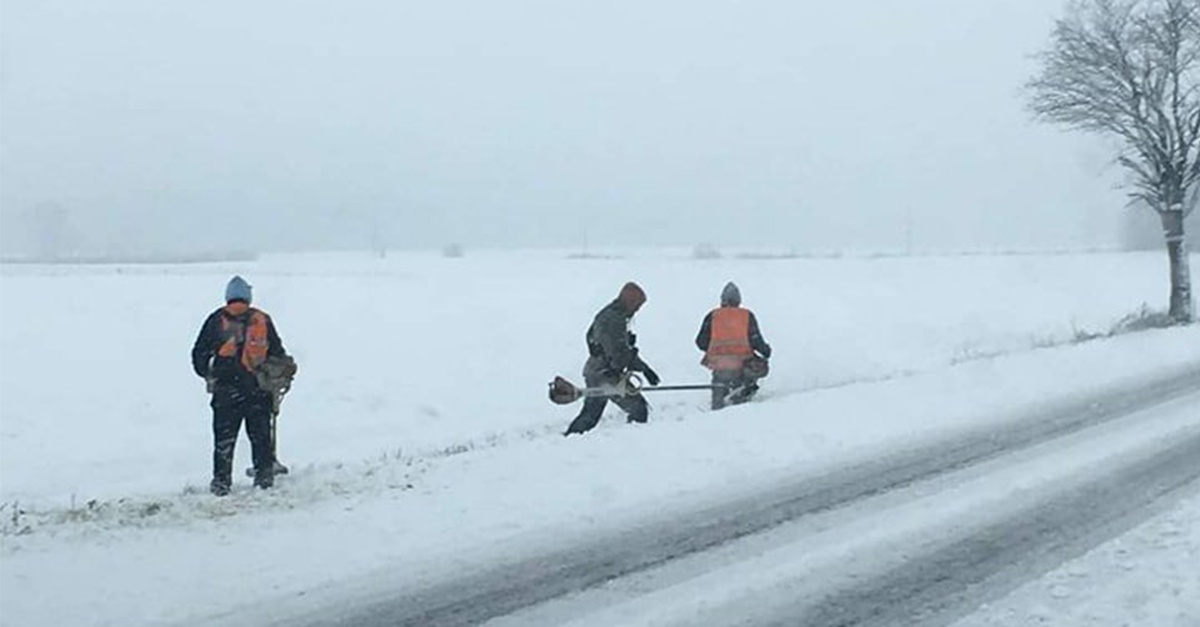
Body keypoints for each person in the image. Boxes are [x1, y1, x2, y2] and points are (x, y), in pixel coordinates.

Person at [191, 276, 289, 495]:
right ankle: (264, 479)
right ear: (248, 297)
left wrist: (209, 374)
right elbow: (278, 353)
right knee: (260, 437)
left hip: (225, 392)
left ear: (228, 296)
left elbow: (198, 354)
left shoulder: (216, 320)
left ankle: (221, 484)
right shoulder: (262, 320)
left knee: (224, 441)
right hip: (258, 391)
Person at [564, 282, 661, 436]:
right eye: (637, 306)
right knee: (638, 408)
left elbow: (590, 337)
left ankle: (569, 440)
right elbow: (619, 354)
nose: (637, 310)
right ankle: (633, 441)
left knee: (590, 415)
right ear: (630, 301)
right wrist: (644, 369)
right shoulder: (615, 320)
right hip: (605, 375)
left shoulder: (608, 314)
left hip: (595, 370)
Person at [695, 282, 771, 410]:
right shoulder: (747, 316)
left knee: (718, 403)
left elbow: (700, 342)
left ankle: (715, 412)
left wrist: (715, 350)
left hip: (718, 366)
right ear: (738, 300)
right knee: (741, 405)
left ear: (722, 300)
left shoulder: (712, 316)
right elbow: (756, 341)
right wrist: (766, 351)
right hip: (743, 366)